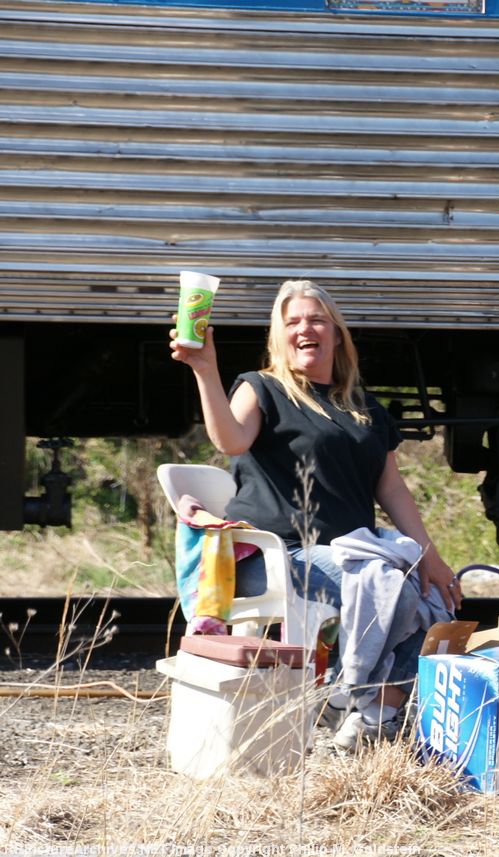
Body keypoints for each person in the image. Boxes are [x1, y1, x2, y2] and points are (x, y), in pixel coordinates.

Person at [169, 279, 458, 752]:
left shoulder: (366, 408)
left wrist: (431, 557)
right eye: (294, 322)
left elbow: (392, 489)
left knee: (430, 600)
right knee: (393, 593)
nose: (306, 328)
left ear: (337, 335)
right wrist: (206, 368)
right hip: (276, 553)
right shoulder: (261, 388)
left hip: (352, 554)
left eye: (317, 319)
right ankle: (353, 703)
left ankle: (371, 717)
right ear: (278, 338)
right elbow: (230, 440)